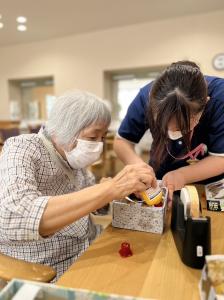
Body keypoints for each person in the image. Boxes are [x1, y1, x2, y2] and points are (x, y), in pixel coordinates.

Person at [0, 90, 156, 281]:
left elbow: (93, 203)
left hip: (88, 243)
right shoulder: (21, 147)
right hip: (49, 262)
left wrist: (113, 194)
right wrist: (109, 189)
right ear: (66, 129)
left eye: (103, 137)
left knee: (147, 262)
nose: (98, 145)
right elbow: (15, 216)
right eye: (92, 138)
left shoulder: (73, 158)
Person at [113, 61, 224, 200]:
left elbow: (221, 158)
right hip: (161, 175)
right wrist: (140, 168)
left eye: (180, 127)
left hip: (209, 183)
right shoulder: (145, 96)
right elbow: (122, 141)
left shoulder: (220, 98)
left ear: (205, 104)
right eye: (162, 123)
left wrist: (183, 175)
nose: (170, 131)